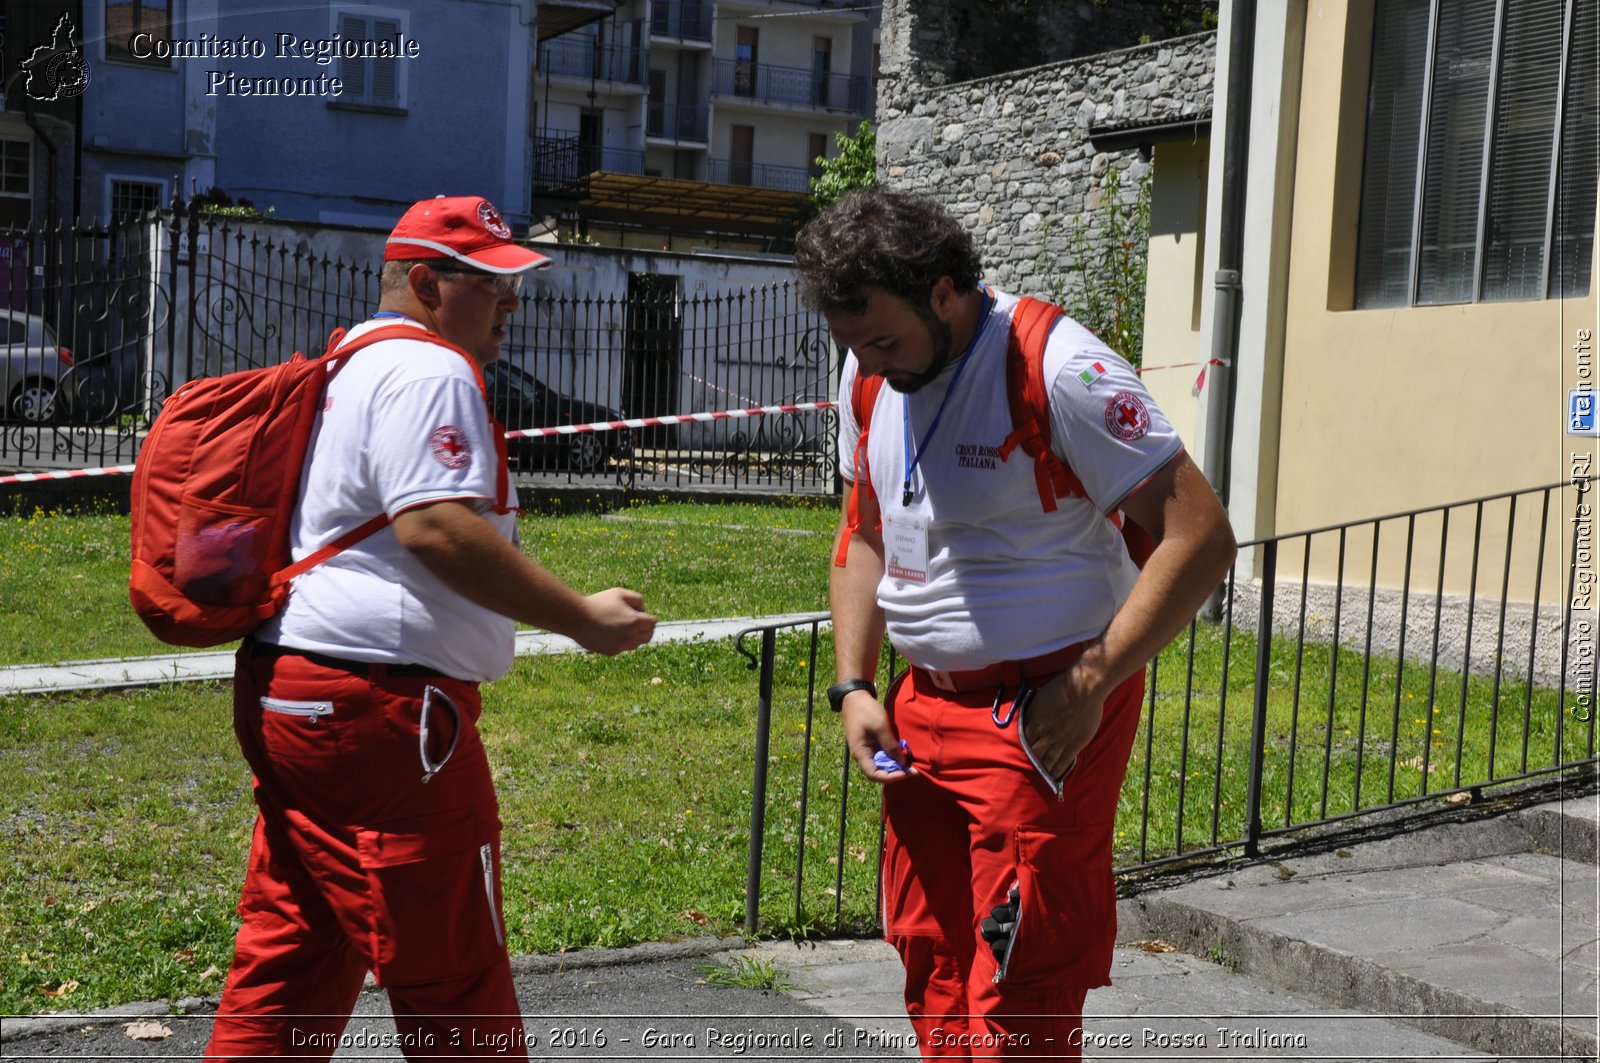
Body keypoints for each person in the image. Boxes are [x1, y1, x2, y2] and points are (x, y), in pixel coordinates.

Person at [204, 196, 657, 1061]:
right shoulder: (430, 369)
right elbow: (435, 526)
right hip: (387, 717)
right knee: (456, 981)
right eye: (492, 286)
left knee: (292, 955)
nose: (511, 306)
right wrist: (582, 618)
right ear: (426, 282)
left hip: (291, 689)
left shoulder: (346, 360)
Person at [794, 188, 1236, 1059]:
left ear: (947, 292)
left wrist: (1090, 682)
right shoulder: (868, 373)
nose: (868, 361)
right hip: (920, 711)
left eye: (884, 339)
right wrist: (853, 683)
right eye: (853, 344)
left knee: (1022, 978)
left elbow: (1203, 534)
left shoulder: (1058, 365)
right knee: (933, 959)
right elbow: (866, 530)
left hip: (1047, 708)